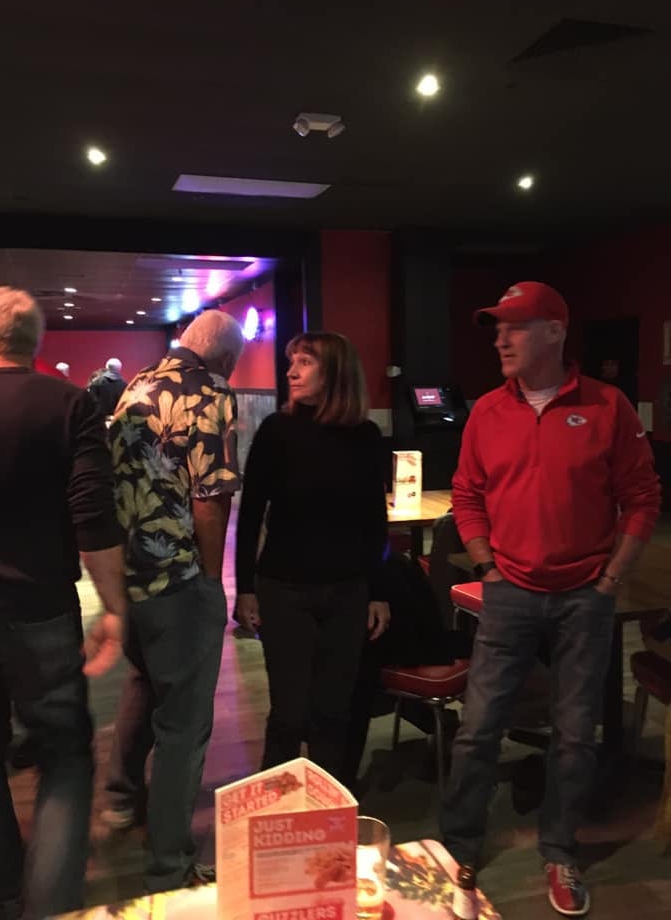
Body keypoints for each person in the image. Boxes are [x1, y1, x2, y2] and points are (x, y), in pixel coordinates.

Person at [441, 282, 661, 918]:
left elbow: (642, 498)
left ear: (555, 332)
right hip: (508, 590)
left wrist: (612, 579)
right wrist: (486, 564)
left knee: (575, 734)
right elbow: (467, 492)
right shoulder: (487, 410)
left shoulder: (607, 405)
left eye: (514, 326)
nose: (500, 339)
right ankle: (458, 846)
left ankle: (560, 850)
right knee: (478, 728)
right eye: (496, 328)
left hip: (584, 596)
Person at [0, 287, 127, 920]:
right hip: (43, 612)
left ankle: (2, 901)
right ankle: (50, 910)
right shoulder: (71, 404)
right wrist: (114, 609)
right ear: (33, 343)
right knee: (65, 757)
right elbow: (94, 518)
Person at [102, 310, 244, 892]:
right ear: (225, 359)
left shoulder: (135, 385)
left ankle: (120, 796)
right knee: (185, 724)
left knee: (144, 683)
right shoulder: (211, 392)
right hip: (178, 578)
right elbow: (210, 495)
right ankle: (170, 862)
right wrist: (211, 579)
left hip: (129, 576)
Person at [235, 332, 390, 785]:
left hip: (348, 591)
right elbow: (250, 514)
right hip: (284, 588)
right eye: (293, 361)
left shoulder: (365, 436)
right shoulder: (276, 430)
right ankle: (275, 810)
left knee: (333, 712)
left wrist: (378, 592)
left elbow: (373, 520)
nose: (291, 371)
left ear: (335, 372)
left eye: (305, 362)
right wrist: (244, 588)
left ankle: (327, 809)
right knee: (289, 713)